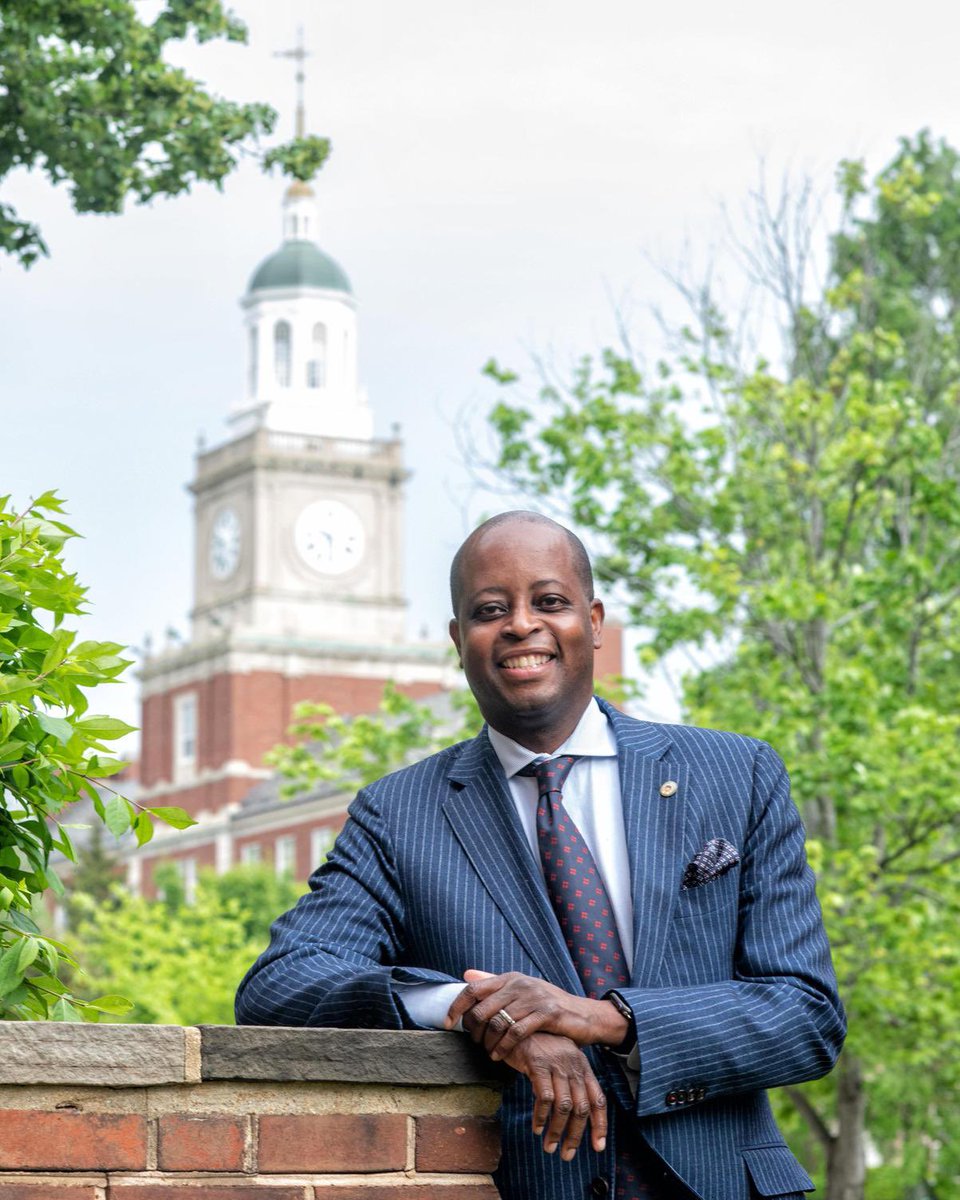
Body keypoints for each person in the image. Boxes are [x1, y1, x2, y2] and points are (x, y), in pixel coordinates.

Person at [236, 511, 845, 1200]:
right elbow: (280, 985)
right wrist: (478, 1012)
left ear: (593, 620)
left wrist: (596, 1018)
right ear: (458, 638)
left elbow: (806, 1015)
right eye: (490, 610)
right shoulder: (400, 814)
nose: (522, 624)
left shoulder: (734, 775)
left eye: (549, 602)